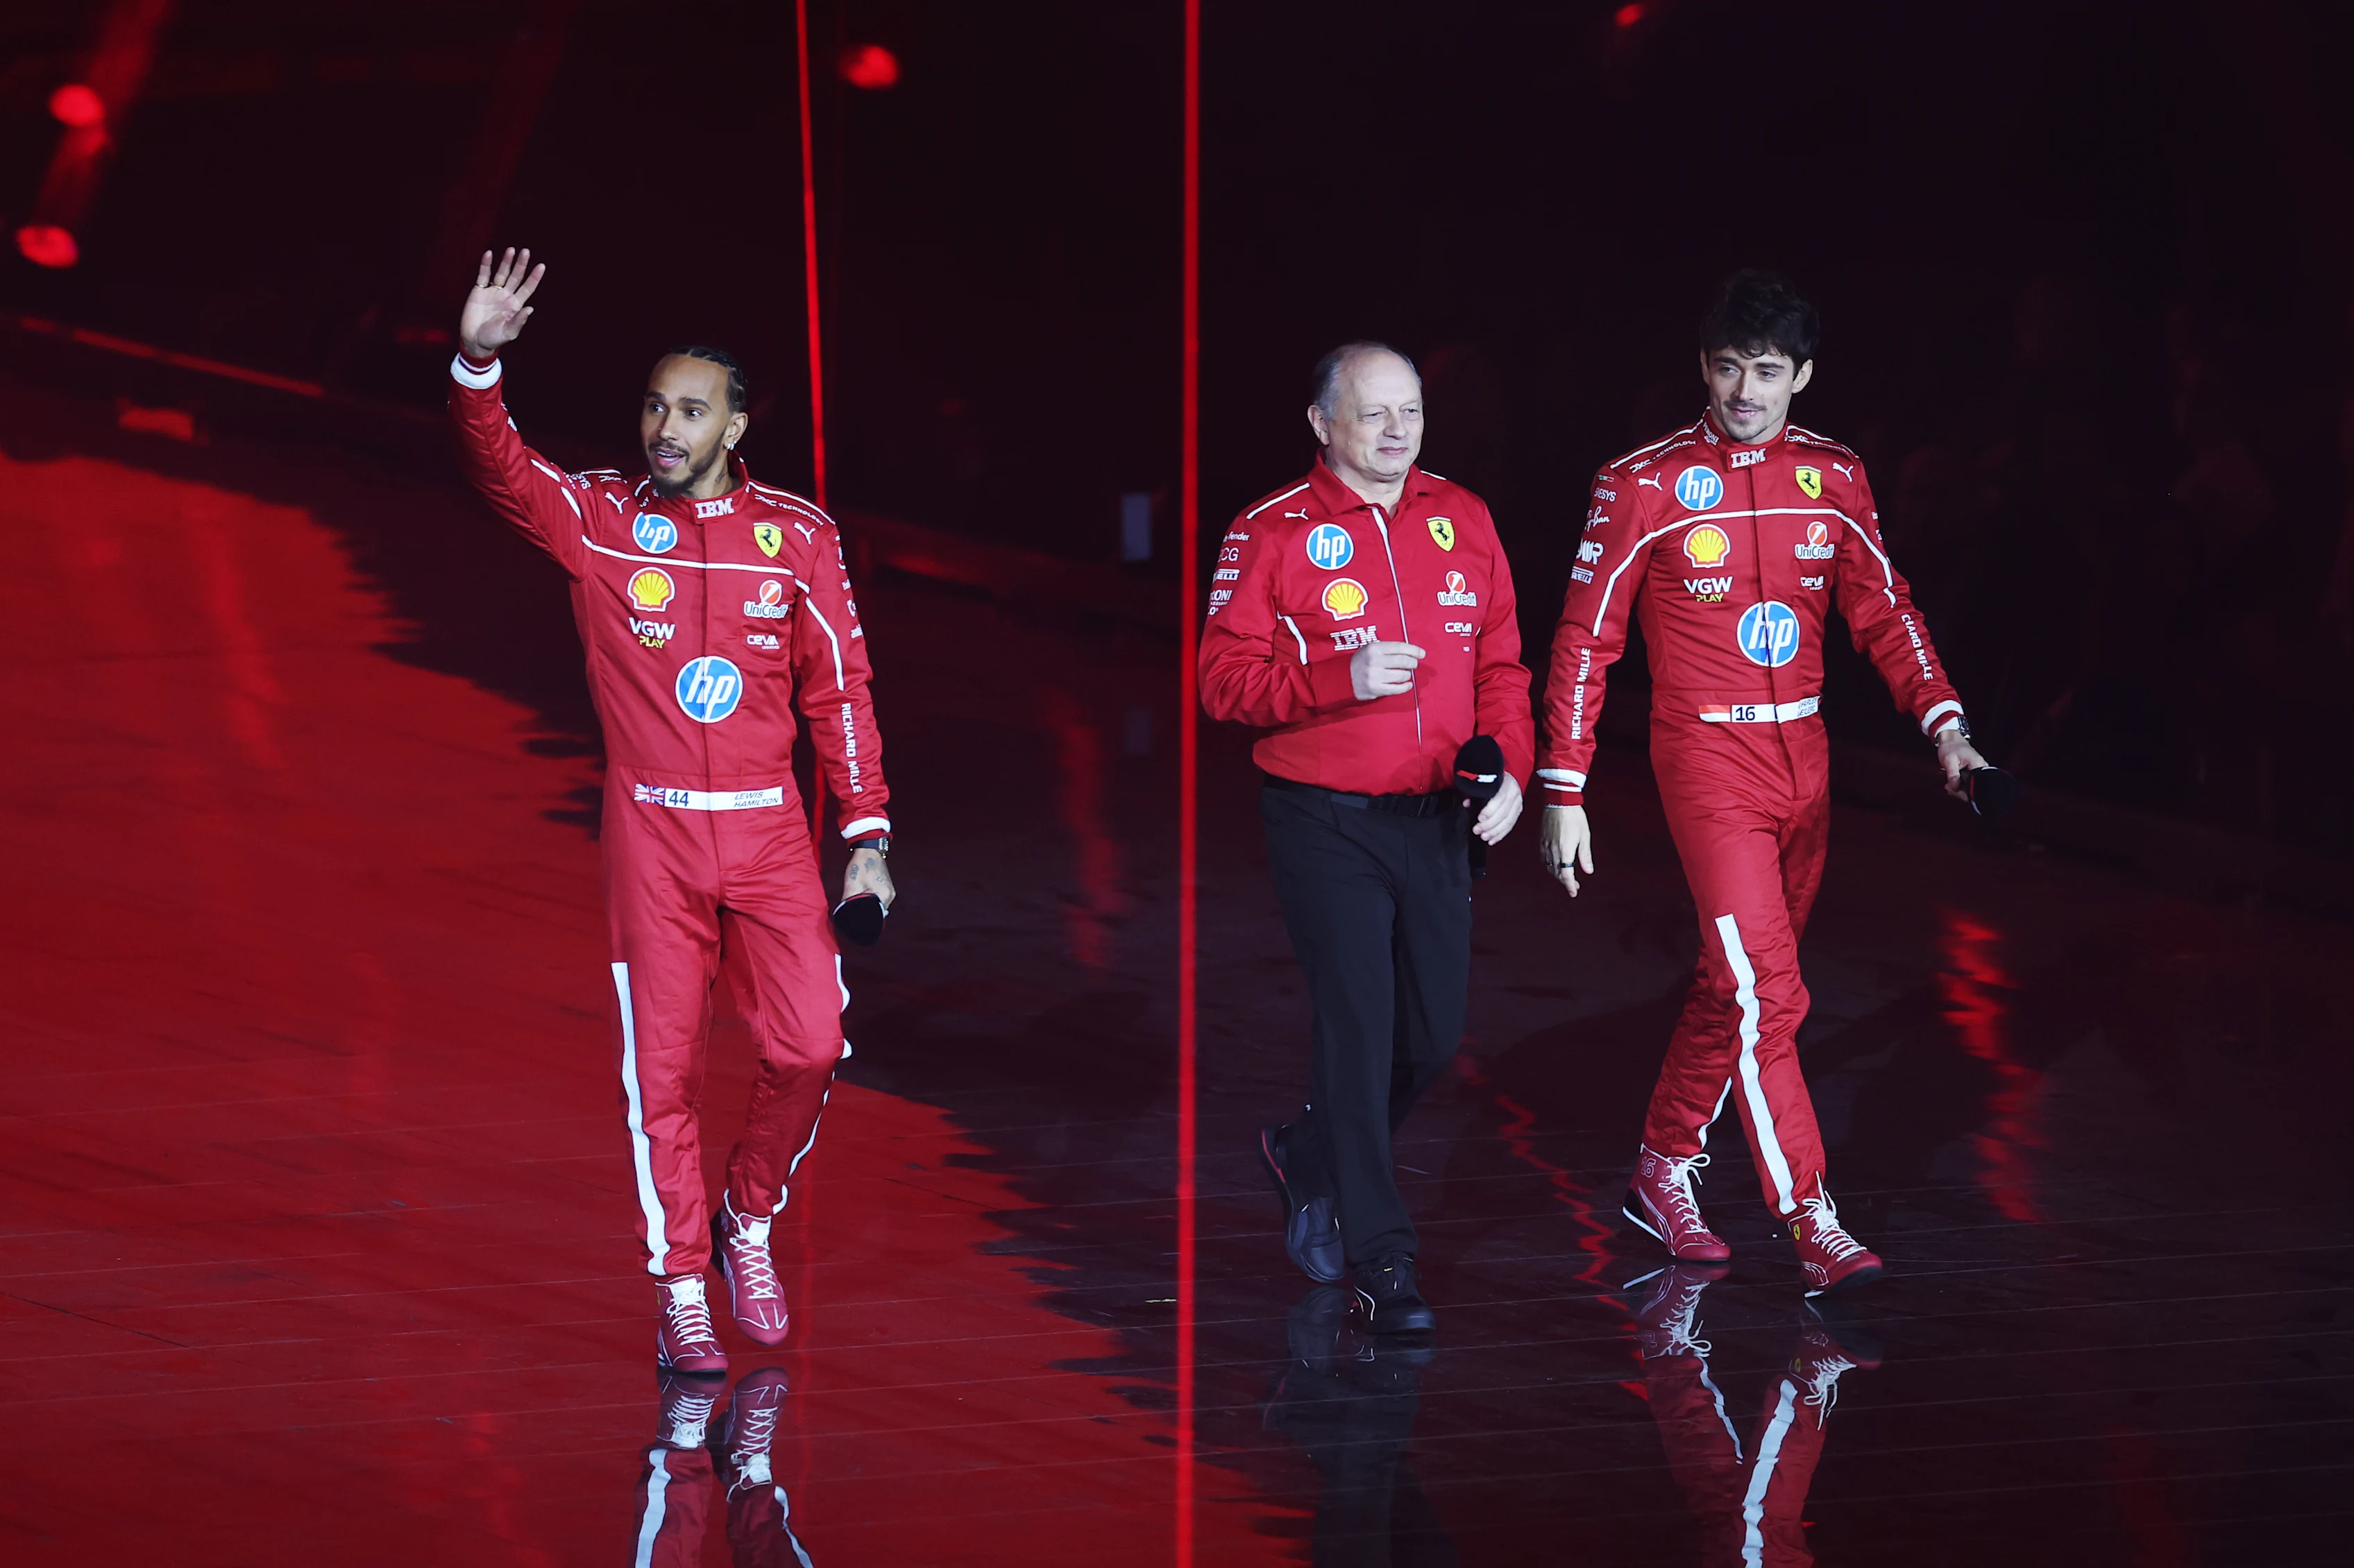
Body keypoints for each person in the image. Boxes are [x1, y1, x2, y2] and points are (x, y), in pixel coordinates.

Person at [450, 248, 896, 1372]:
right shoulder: (600, 520)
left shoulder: (798, 539)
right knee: (662, 1076)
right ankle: (683, 1284)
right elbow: (504, 469)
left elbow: (839, 690)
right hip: (651, 833)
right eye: (655, 405)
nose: (666, 426)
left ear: (736, 428)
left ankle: (747, 1218)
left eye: (691, 411)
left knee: (811, 1045)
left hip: (767, 834)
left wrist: (868, 841)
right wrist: (478, 363)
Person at [1537, 272, 1985, 1295]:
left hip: (1806, 760)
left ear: (1804, 376)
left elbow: (1886, 609)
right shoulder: (1641, 480)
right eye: (1730, 367)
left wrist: (1947, 728)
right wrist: (1563, 785)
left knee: (1733, 993)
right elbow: (1583, 639)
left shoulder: (1836, 474)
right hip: (1702, 756)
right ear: (1704, 367)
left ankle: (1661, 1166)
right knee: (1765, 990)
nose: (1746, 389)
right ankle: (1812, 1221)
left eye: (1769, 371)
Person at [1201, 341, 1533, 1332]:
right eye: (1373, 414)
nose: (1396, 433)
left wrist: (1511, 767)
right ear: (1321, 424)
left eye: (1412, 412)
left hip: (1438, 823)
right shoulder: (1272, 531)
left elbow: (1505, 663)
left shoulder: (1463, 518)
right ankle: (1382, 1257)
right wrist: (1335, 682)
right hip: (1322, 820)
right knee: (1359, 1028)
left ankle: (1310, 1155)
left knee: (1432, 1038)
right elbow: (1221, 683)